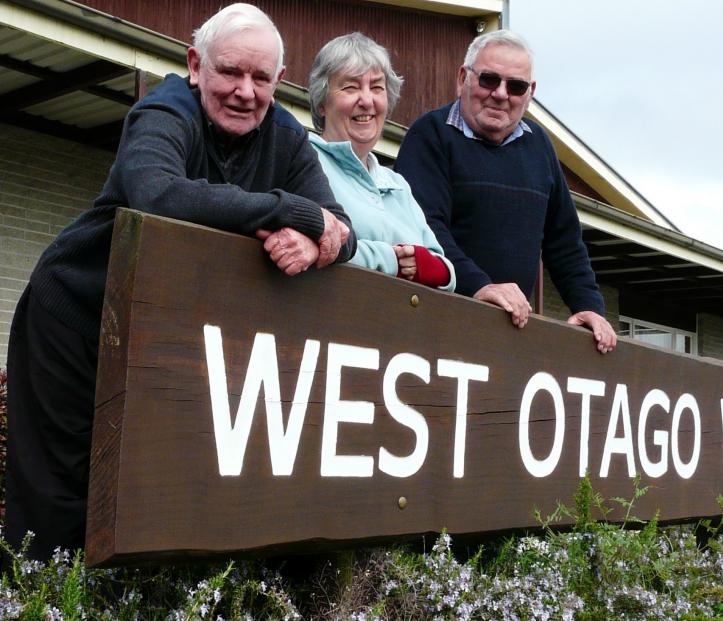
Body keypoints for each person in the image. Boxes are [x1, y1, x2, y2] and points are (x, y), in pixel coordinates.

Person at [2, 2, 354, 561]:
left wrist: (315, 241)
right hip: (74, 320)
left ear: (278, 81)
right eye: (230, 72)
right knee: (57, 504)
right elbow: (156, 193)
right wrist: (291, 210)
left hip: (160, 341)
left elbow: (341, 228)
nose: (244, 91)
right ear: (195, 65)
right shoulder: (163, 110)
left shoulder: (285, 138)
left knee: (150, 497)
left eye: (261, 78)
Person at [395, 30, 616, 353]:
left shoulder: (540, 147)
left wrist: (589, 307)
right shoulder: (430, 135)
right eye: (488, 80)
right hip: (432, 330)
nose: (500, 94)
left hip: (507, 338)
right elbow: (424, 226)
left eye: (516, 86)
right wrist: (480, 286)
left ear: (530, 93)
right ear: (462, 78)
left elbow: (565, 243)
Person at [307, 33, 454, 290]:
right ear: (322, 103)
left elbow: (445, 270)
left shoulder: (397, 184)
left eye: (376, 87)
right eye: (350, 88)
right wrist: (393, 260)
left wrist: (435, 269)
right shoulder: (306, 160)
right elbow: (316, 245)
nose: (367, 101)